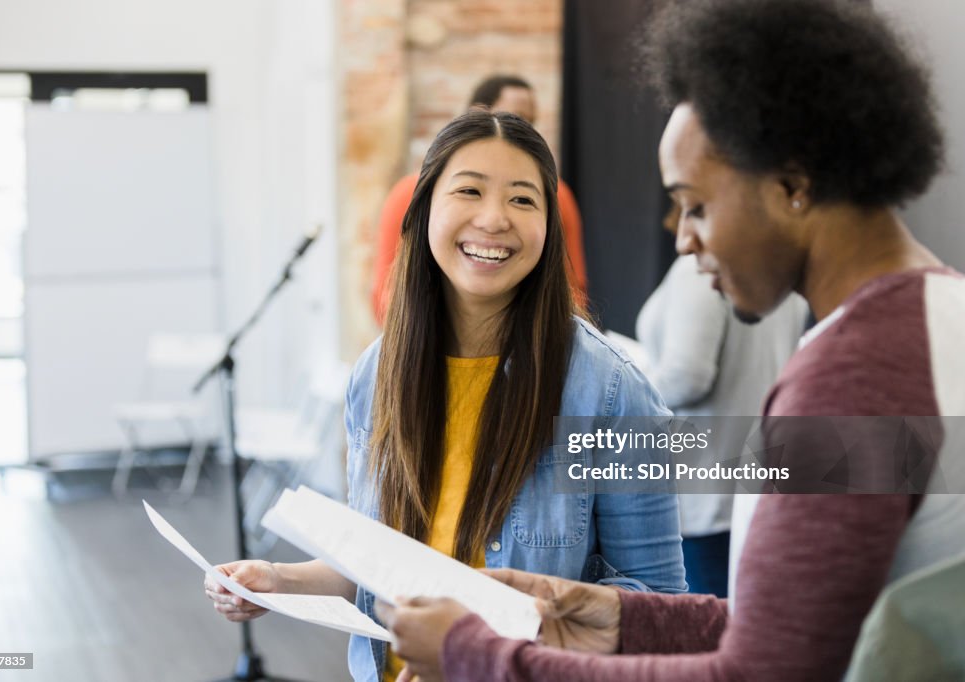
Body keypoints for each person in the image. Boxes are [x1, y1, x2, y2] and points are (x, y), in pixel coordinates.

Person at [374, 1, 965, 679]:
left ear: (793, 186)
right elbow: (808, 626)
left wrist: (473, 653)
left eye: (697, 204)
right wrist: (625, 618)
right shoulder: (935, 309)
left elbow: (757, 674)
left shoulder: (851, 378)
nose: (683, 238)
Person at [205, 110, 686, 682]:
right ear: (426, 206)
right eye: (470, 190)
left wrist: (494, 647)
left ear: (549, 227)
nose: (493, 218)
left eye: (523, 200)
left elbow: (660, 606)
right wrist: (279, 581)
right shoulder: (377, 372)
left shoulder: (609, 391)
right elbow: (380, 557)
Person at [635, 205, 808, 597]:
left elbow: (687, 375)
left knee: (712, 629)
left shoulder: (699, 270)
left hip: (708, 487)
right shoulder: (783, 269)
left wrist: (624, 390)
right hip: (759, 475)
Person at [371, 74, 588, 325]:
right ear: (477, 116)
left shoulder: (559, 197)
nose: (493, 221)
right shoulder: (406, 195)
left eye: (521, 200)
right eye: (514, 117)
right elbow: (385, 293)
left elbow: (574, 288)